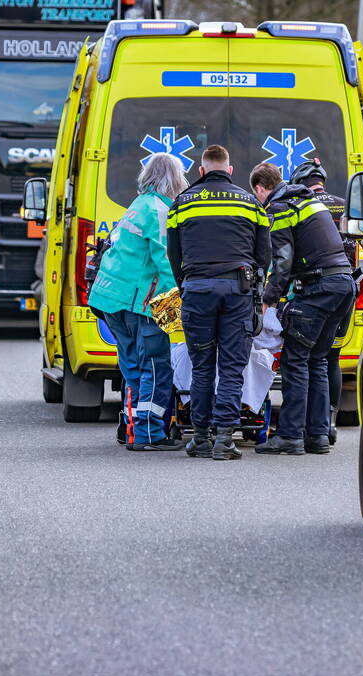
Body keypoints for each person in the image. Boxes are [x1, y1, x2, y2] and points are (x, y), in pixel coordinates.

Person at [166, 145, 271, 460]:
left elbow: (174, 254)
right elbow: (263, 253)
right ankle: (224, 439)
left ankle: (200, 437)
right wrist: (257, 287)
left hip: (197, 289)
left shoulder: (181, 204)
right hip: (237, 291)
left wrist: (186, 286)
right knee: (231, 367)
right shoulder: (250, 202)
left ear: (201, 171)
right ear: (229, 169)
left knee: (201, 367)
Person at [249, 161, 356, 455]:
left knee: (295, 360)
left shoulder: (279, 207)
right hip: (343, 285)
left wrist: (268, 299)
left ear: (260, 189)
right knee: (317, 360)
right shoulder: (306, 200)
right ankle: (318, 435)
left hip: (319, 287)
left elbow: (282, 260)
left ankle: (290, 436)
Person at [88, 152, 187, 451]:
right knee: (156, 367)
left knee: (132, 366)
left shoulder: (137, 205)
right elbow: (165, 262)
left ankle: (133, 430)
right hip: (140, 302)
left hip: (111, 298)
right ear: (174, 179)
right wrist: (177, 305)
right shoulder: (159, 210)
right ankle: (149, 434)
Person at [290, 158, 363, 446]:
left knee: (307, 357)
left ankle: (307, 422)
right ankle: (328, 422)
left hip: (314, 290)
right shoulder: (346, 206)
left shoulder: (302, 206)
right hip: (347, 290)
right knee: (331, 356)